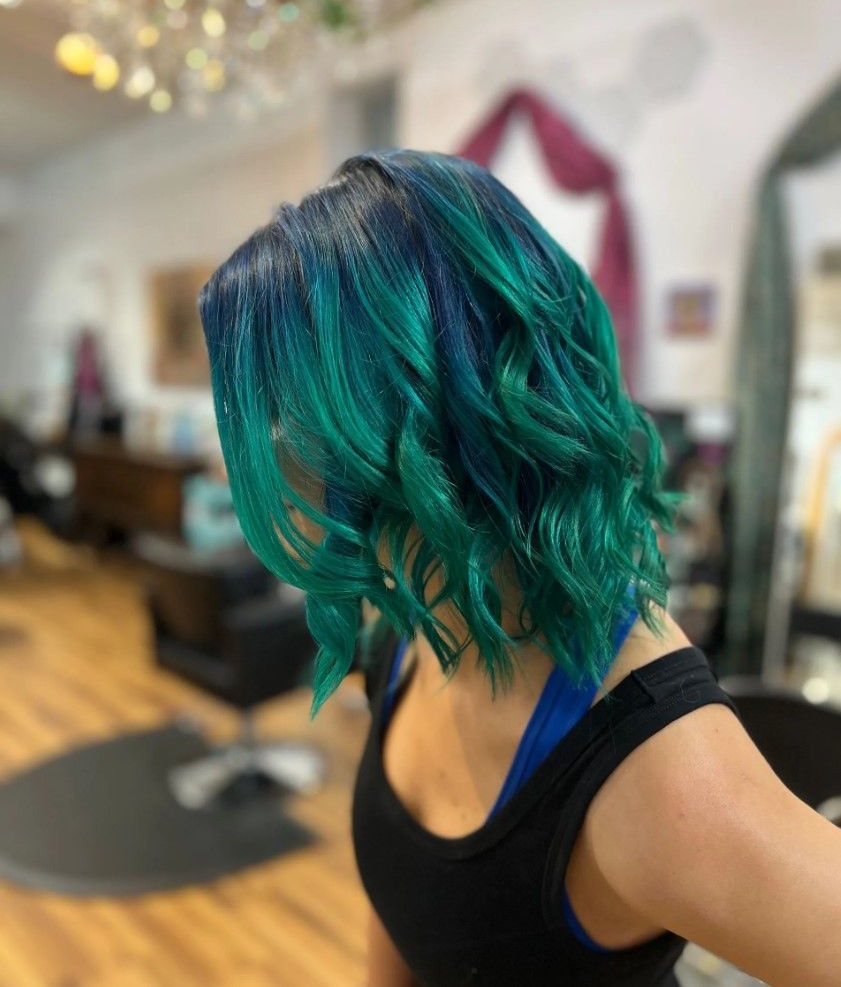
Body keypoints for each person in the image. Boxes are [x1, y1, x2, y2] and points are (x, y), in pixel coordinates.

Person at [198, 150, 841, 987]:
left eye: (281, 415)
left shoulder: (653, 769)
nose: (263, 449)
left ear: (395, 416)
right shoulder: (407, 621)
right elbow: (409, 916)